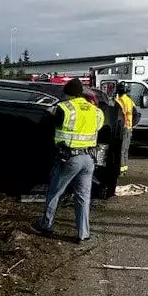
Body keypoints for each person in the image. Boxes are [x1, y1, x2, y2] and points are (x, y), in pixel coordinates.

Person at [33, 78, 105, 243]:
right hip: (89, 159)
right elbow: (98, 127)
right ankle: (83, 233)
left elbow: (50, 126)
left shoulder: (64, 108)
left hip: (70, 158)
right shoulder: (96, 111)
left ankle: (46, 225)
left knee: (55, 192)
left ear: (68, 94)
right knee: (83, 196)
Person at [114, 83, 140, 175]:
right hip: (129, 128)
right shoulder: (130, 101)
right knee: (125, 150)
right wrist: (131, 125)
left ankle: (120, 170)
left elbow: (116, 117)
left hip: (122, 129)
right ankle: (124, 169)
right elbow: (137, 115)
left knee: (120, 150)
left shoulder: (118, 101)